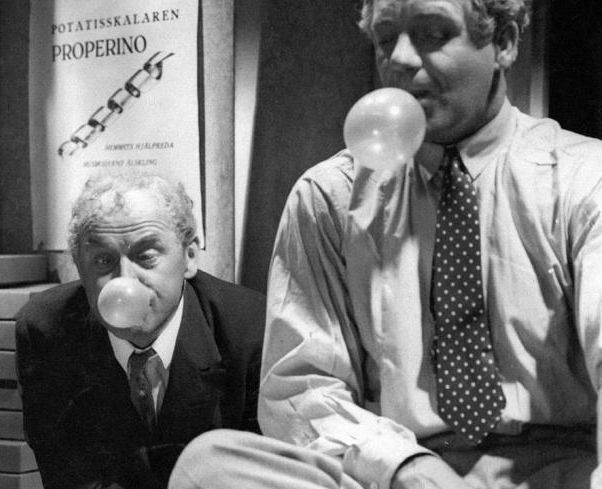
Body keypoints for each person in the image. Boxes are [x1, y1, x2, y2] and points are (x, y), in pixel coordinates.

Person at [169, 1, 602, 488]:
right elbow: (302, 385)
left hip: (559, 471)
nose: (399, 58)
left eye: (432, 33)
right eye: (385, 38)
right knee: (210, 464)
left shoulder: (584, 178)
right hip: (397, 471)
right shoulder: (330, 195)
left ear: (503, 42)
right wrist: (403, 466)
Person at [15, 173, 266, 489]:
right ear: (78, 265)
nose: (125, 280)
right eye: (103, 260)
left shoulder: (250, 329)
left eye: (146, 256)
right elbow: (70, 476)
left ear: (189, 256)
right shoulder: (46, 330)